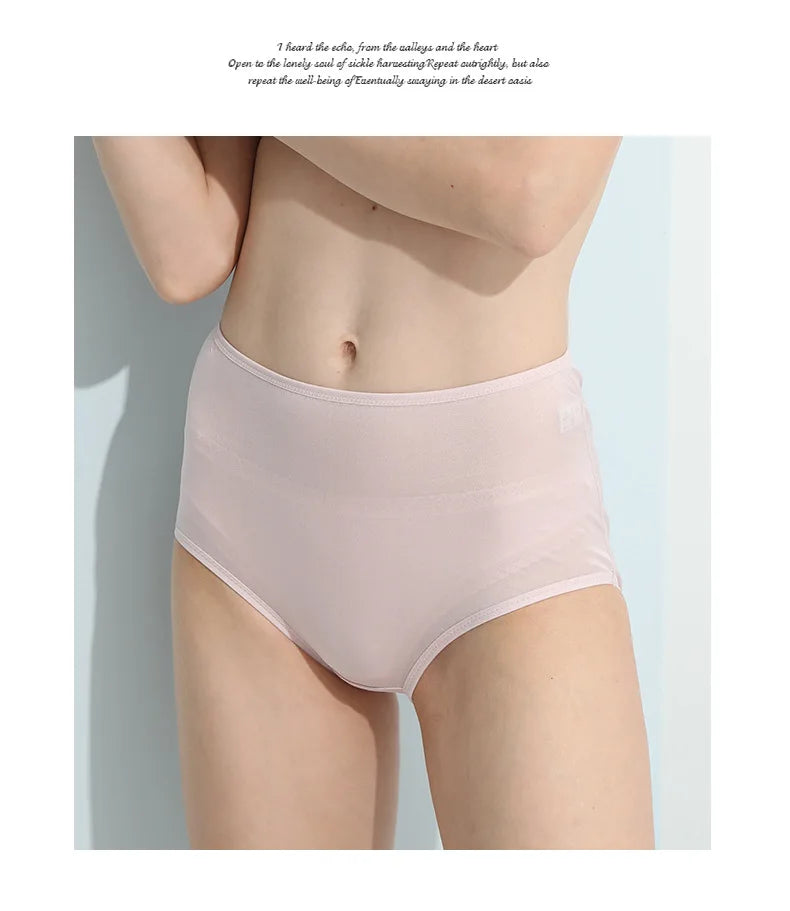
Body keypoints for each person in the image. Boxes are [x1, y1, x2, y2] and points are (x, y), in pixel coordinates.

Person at [92, 136, 654, 850]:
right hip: (252, 509)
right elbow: (189, 252)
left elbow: (530, 191)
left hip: (497, 530)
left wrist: (248, 75)